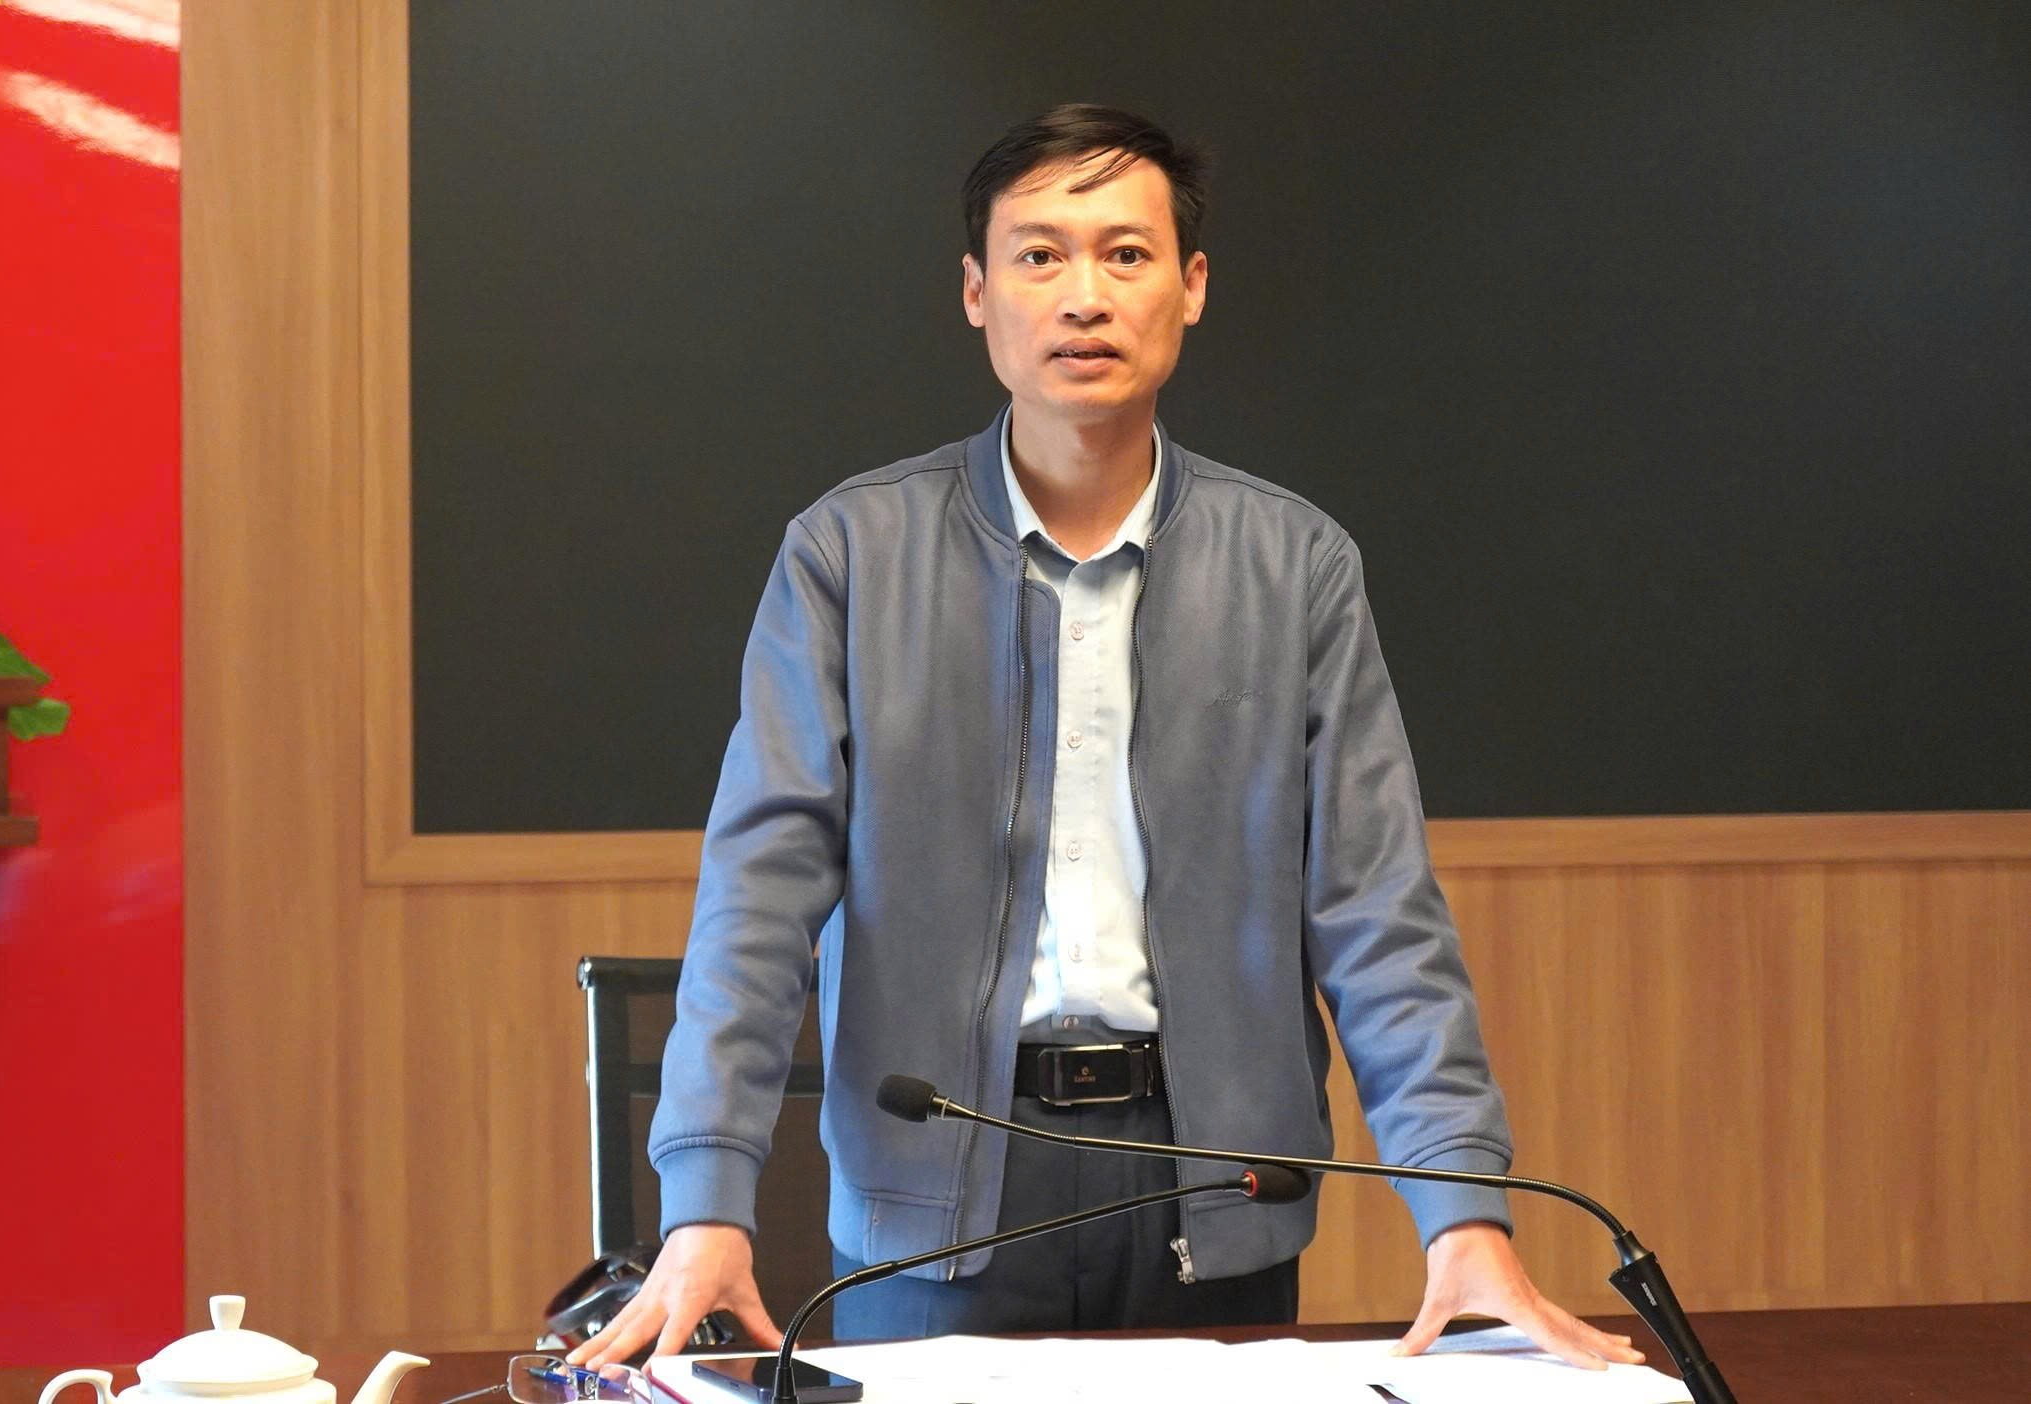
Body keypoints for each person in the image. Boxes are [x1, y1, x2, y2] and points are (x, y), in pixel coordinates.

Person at [572, 103, 1643, 1370]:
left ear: (1191, 288)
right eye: (1039, 255)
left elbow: (1378, 918)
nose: (1084, 295)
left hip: (1211, 1186)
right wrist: (705, 1202)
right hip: (938, 1194)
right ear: (976, 294)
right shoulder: (850, 554)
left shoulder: (1294, 564)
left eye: (1126, 254)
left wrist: (1461, 1213)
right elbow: (757, 901)